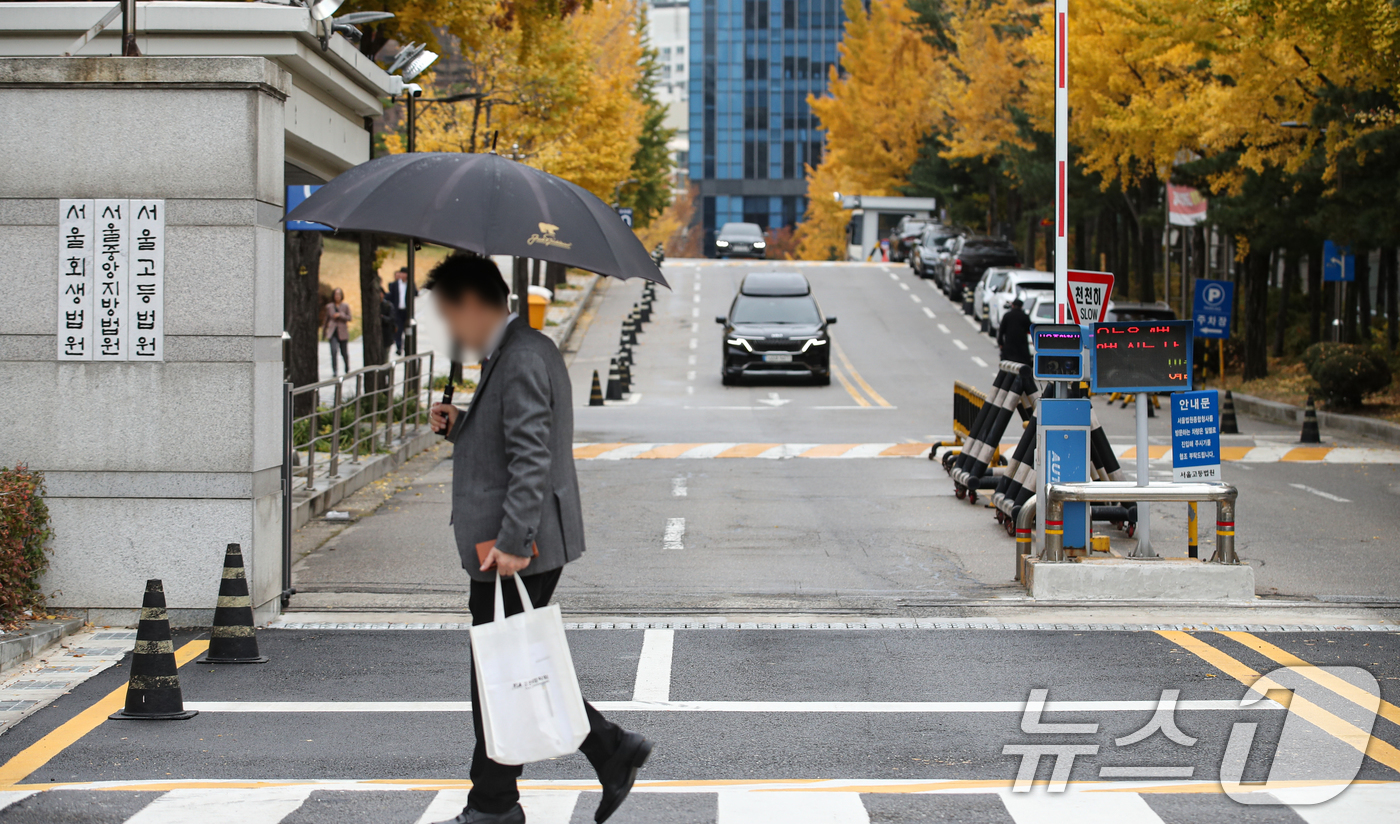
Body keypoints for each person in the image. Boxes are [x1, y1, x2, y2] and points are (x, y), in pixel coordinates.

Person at [427, 253, 652, 824]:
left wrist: (512, 538)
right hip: (519, 539)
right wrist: (461, 424)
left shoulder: (522, 356)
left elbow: (531, 456)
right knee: (508, 667)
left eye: (450, 314)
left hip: (516, 545)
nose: (450, 329)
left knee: (498, 673)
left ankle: (497, 803)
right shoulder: (517, 350)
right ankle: (605, 752)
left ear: (474, 304)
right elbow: (508, 441)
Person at [386, 266, 416, 355]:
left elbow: (416, 293)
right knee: (398, 330)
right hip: (397, 310)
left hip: (407, 311)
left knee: (407, 329)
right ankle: (399, 347)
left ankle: (408, 347)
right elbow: (391, 296)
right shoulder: (395, 284)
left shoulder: (410, 284)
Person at [322, 287, 352, 377]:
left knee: (344, 352)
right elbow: (326, 320)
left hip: (342, 332)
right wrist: (324, 332)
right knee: (334, 351)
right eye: (336, 294)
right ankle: (334, 370)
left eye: (339, 294)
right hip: (333, 332)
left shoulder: (345, 306)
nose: (337, 296)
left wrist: (340, 315)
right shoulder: (329, 307)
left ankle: (347, 367)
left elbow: (349, 318)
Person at [997, 296, 1033, 365]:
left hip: (1009, 345)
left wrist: (1000, 343)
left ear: (1012, 305)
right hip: (1021, 346)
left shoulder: (1007, 316)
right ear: (1021, 306)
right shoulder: (1024, 316)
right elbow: (1029, 328)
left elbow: (1001, 330)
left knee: (1008, 364)